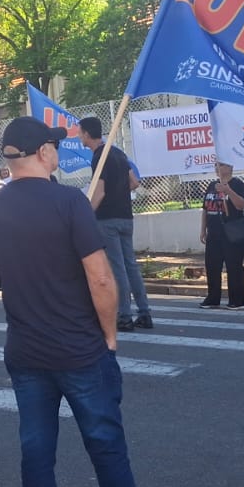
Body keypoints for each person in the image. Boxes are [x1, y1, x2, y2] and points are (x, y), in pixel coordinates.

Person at [0, 117, 196, 487]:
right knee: (108, 454)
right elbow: (100, 279)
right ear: (43, 153)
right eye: (55, 147)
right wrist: (109, 337)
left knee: (37, 459)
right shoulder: (68, 202)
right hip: (79, 350)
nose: (59, 153)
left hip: (26, 351)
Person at [79, 116, 152, 331]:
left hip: (107, 219)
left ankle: (124, 315)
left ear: (86, 134)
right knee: (131, 265)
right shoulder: (118, 152)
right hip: (125, 216)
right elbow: (134, 182)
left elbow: (99, 192)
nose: (78, 135)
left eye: (79, 132)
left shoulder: (99, 157)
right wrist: (118, 194)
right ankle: (145, 312)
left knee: (117, 267)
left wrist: (85, 214)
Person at [199, 162, 244, 309]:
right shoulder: (211, 185)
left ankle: (237, 299)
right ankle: (213, 298)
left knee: (234, 266)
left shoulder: (238, 185)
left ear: (230, 168)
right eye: (215, 165)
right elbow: (205, 209)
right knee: (212, 266)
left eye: (220, 165)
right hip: (214, 233)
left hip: (232, 233)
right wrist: (203, 230)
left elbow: (241, 205)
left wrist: (228, 191)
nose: (217, 168)